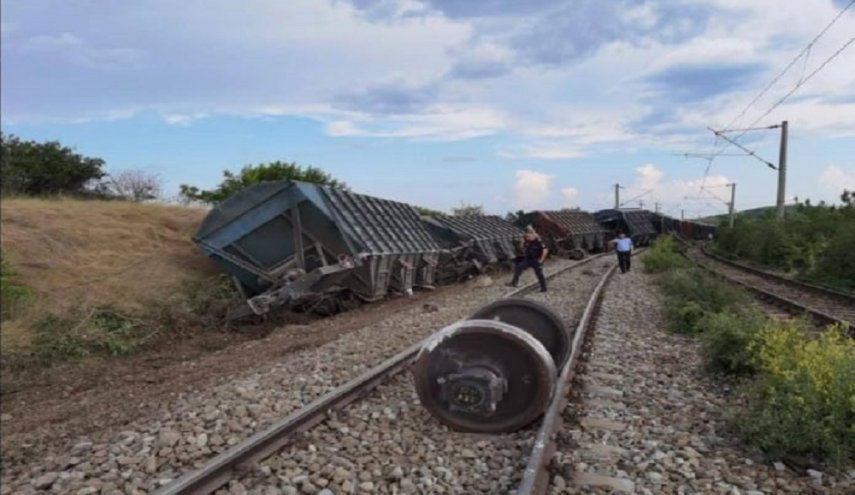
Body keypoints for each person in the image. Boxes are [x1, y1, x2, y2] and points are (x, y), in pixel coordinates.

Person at [508, 226, 548, 292]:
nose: (528, 238)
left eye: (529, 236)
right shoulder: (527, 240)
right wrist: (522, 241)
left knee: (539, 274)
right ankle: (514, 282)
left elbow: (545, 250)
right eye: (527, 236)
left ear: (533, 235)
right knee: (519, 267)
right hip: (528, 259)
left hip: (536, 260)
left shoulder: (539, 241)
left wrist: (541, 260)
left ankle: (543, 288)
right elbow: (521, 247)